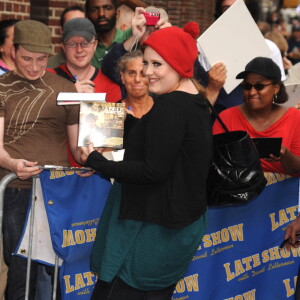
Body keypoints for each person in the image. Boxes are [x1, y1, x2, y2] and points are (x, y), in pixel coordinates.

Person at [81, 25, 212, 300]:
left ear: (178, 64)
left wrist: (98, 161)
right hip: (173, 227)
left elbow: (152, 170)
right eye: (145, 63)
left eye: (157, 64)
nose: (148, 73)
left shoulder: (171, 107)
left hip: (151, 231)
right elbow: (166, 155)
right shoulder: (196, 102)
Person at [0, 20, 83, 299]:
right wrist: (13, 165)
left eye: (41, 59)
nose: (34, 66)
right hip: (17, 189)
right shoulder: (2, 87)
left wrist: (94, 157)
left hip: (57, 191)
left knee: (59, 267)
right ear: (13, 51)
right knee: (20, 267)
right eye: (27, 59)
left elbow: (77, 146)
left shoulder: (65, 88)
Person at [213, 57, 300, 175]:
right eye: (247, 86)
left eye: (259, 86)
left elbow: (297, 169)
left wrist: (285, 155)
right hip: (239, 191)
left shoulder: (295, 118)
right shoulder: (226, 118)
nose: (252, 92)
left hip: (284, 191)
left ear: (276, 88)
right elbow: (215, 162)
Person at [199, 0, 286, 115]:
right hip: (219, 119)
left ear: (250, 11)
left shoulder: (269, 48)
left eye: (238, 7)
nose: (232, 13)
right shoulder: (204, 47)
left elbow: (278, 94)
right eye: (226, 9)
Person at [48, 17, 121, 102]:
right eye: (72, 44)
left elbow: (114, 115)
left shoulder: (110, 87)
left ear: (95, 45)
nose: (79, 50)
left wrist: (93, 103)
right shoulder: (48, 78)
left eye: (85, 43)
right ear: (64, 47)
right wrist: (71, 94)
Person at [85, 0, 133, 69]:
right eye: (94, 9)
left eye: (107, 8)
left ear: (117, 13)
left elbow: (152, 14)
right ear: (86, 16)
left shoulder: (131, 36)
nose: (101, 14)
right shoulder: (83, 47)